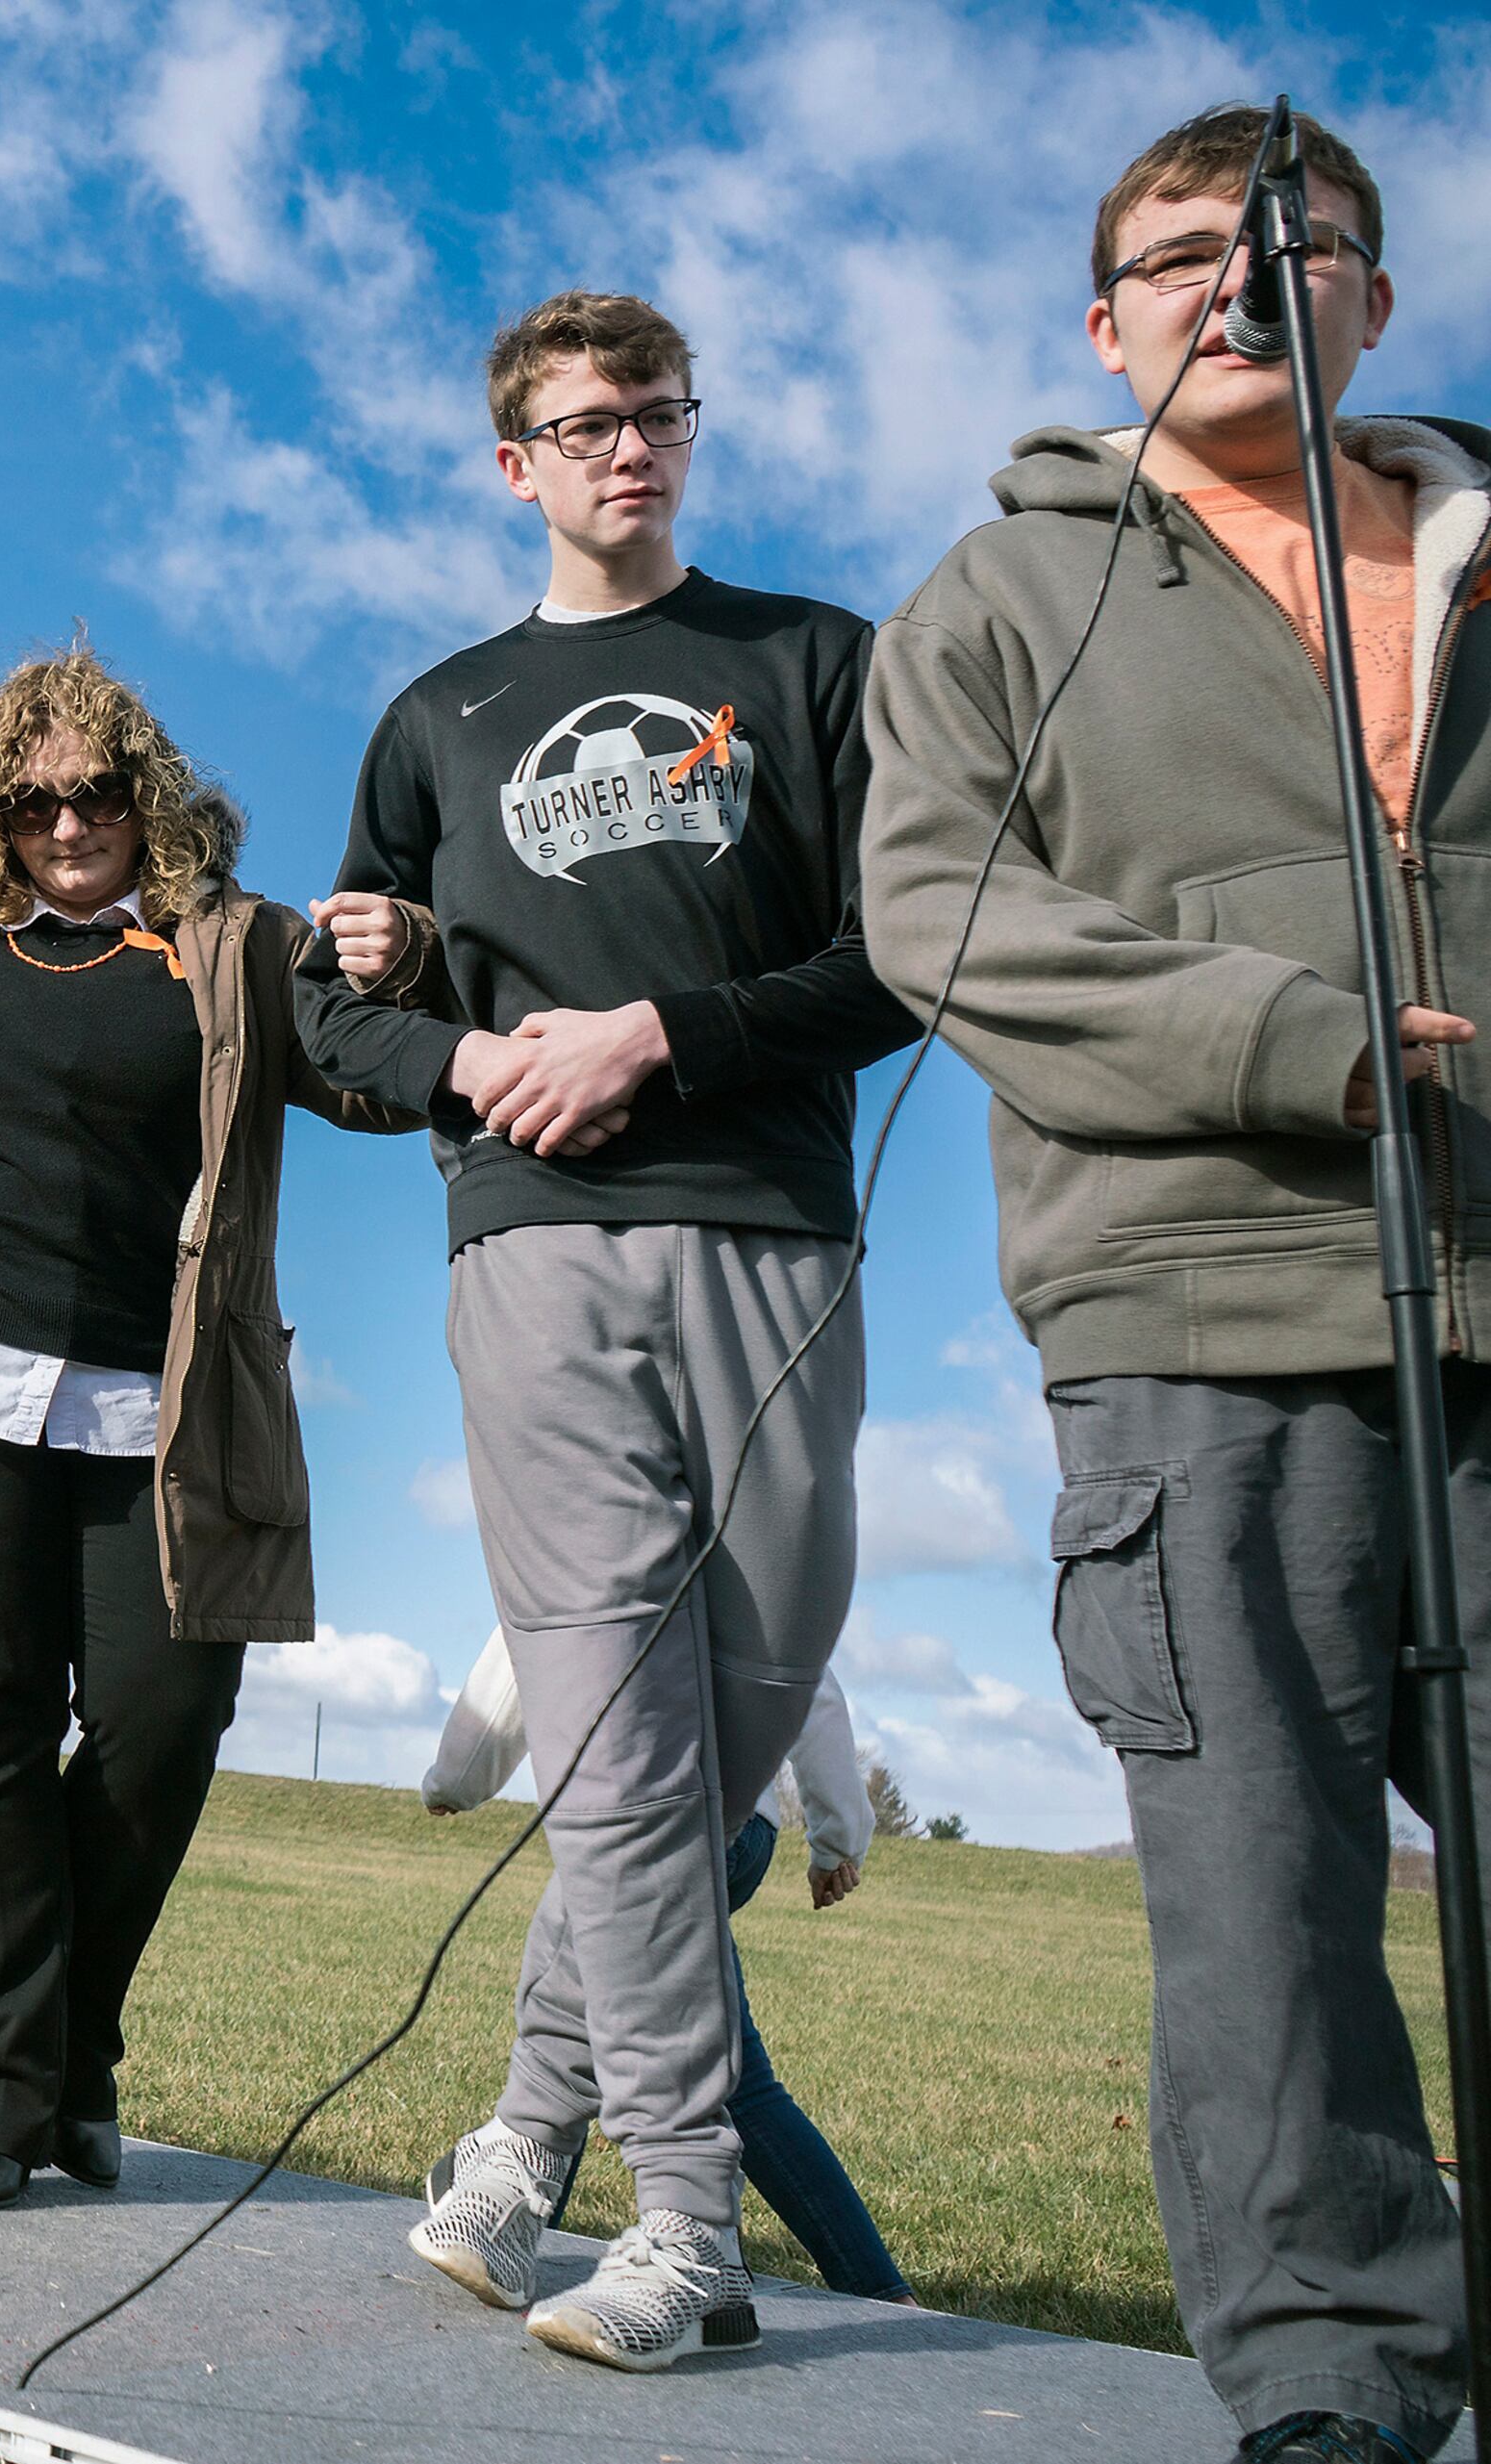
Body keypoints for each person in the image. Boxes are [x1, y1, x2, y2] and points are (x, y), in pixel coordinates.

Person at [861, 107, 1477, 2464]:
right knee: (1265, 1899)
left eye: (1295, 234)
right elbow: (938, 918)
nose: (1242, 269)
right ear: (1100, 317)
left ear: (1372, 296)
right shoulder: (999, 598)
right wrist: (1276, 1042)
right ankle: (1329, 2379)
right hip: (1197, 1318)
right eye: (1181, 246)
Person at [292, 292, 920, 2368]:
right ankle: (686, 2225)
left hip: (770, 1230)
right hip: (529, 1247)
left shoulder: (810, 660)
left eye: (653, 414)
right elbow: (330, 1005)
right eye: (579, 424)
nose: (623, 448)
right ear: (514, 459)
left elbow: (911, 956)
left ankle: (519, 2132)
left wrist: (667, 1029)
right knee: (614, 1751)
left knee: (727, 1722)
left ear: (690, 429)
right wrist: (464, 1060)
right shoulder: (443, 712)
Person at [0, 650, 414, 2205]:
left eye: (94, 793)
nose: (63, 823)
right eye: (30, 799)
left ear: (144, 794)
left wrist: (409, 955)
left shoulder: (231, 944)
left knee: (165, 1731)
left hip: (160, 1416)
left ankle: (70, 2047)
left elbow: (374, 1082)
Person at [421, 1639, 913, 2303]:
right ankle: (878, 2285)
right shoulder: (748, 1542)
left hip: (639, 1811)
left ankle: (508, 2226)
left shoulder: (590, 1534)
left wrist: (458, 1775)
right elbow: (807, 1676)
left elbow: (522, 1648)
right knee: (737, 2078)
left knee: (574, 2017)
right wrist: (838, 1834)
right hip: (746, 1824)